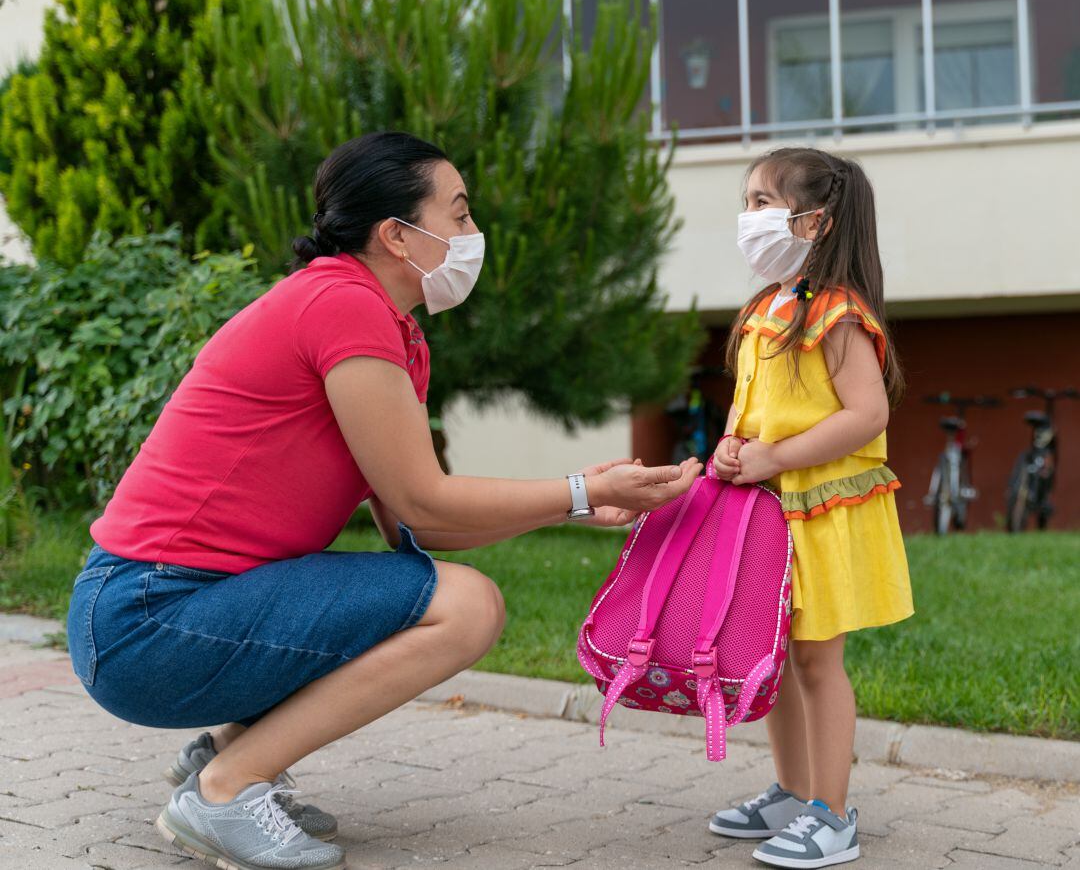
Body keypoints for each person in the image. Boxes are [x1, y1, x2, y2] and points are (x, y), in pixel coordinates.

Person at [66, 131, 702, 870]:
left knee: (439, 596)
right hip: (144, 618)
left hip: (166, 608)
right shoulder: (341, 304)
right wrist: (579, 488)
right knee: (466, 607)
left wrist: (576, 505)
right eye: (459, 216)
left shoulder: (389, 331)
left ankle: (226, 760)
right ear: (397, 235)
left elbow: (416, 530)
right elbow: (424, 503)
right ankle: (224, 790)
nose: (473, 235)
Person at [705, 147, 914, 868]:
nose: (750, 216)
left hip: (820, 513)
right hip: (770, 512)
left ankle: (832, 815)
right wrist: (731, 447)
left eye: (763, 201)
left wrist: (777, 457)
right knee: (776, 658)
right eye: (750, 200)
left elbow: (866, 414)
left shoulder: (839, 314)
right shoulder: (768, 307)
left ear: (815, 221)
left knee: (819, 663)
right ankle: (794, 793)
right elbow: (751, 405)